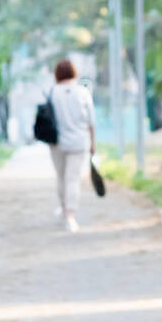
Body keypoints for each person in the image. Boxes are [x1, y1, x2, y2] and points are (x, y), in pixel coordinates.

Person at [48, 59, 96, 232]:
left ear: (57, 75)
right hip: (78, 142)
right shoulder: (82, 92)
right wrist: (93, 143)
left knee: (61, 177)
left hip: (56, 143)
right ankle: (70, 215)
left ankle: (63, 208)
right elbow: (91, 121)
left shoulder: (53, 92)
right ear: (74, 73)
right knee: (72, 179)